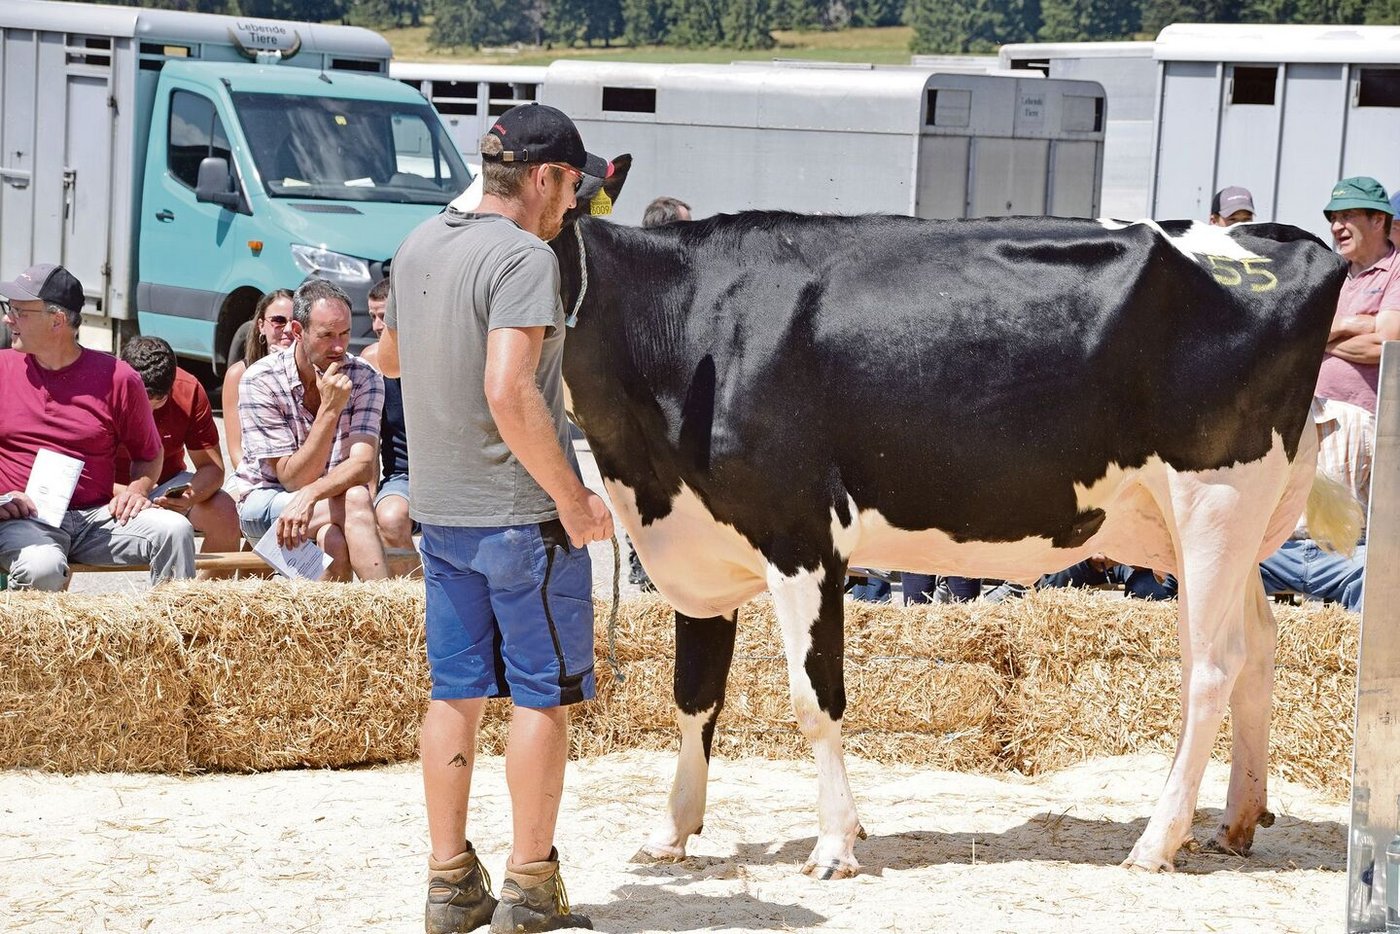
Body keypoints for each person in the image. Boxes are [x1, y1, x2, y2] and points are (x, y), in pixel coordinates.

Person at [378, 102, 612, 934]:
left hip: (442, 513)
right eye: (573, 187)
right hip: (521, 517)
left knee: (456, 694)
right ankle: (530, 886)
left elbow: (391, 359)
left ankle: (449, 883)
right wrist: (575, 499)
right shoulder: (522, 257)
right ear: (543, 177)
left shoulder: (418, 244)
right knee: (542, 698)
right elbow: (509, 389)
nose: (574, 206)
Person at [0, 263, 195, 589]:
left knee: (175, 530)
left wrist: (137, 490)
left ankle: (174, 621)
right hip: (23, 522)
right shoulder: (2, 370)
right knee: (42, 567)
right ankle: (27, 627)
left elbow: (149, 454)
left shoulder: (118, 377)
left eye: (20, 311)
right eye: (9, 308)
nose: (9, 319)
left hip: (97, 519)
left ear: (57, 321)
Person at [232, 278, 388, 582]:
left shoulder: (365, 377)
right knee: (355, 499)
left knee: (334, 540)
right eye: (327, 335)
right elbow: (292, 479)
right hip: (266, 503)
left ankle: (351, 611)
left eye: (345, 333)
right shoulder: (261, 379)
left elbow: (362, 465)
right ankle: (388, 603)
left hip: (325, 502)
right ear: (297, 331)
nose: (339, 346)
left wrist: (312, 494)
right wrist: (329, 410)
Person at [118, 336, 243, 564]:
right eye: (139, 400)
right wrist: (130, 495)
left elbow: (212, 467)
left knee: (225, 512)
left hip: (164, 489)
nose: (148, 411)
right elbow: (79, 474)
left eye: (158, 402)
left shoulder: (188, 389)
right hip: (106, 489)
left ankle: (200, 588)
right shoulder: (99, 390)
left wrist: (188, 495)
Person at [1259, 396, 1371, 611]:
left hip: (1346, 552)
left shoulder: (1359, 423)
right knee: (1216, 570)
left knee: (1379, 573)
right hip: (1274, 551)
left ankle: (1367, 635)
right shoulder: (1246, 428)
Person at [1316, 176, 1400, 414]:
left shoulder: (1396, 271)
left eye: (1347, 216)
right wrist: (1349, 324)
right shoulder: (1330, 273)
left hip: (1365, 418)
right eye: (1334, 218)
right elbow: (1299, 334)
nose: (1335, 227)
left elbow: (1383, 347)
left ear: (1378, 220)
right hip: (1315, 411)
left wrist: (1320, 341)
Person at [360, 277, 413, 551]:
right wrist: (370, 492)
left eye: (384, 316)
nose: (377, 326)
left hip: (448, 474)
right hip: (403, 475)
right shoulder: (371, 362)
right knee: (390, 519)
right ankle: (415, 578)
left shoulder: (438, 354)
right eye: (373, 316)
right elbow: (369, 434)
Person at [222, 289, 294, 470]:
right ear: (261, 325)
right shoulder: (238, 374)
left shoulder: (313, 371)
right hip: (254, 472)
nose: (288, 329)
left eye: (295, 322)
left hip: (298, 468)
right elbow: (236, 449)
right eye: (278, 321)